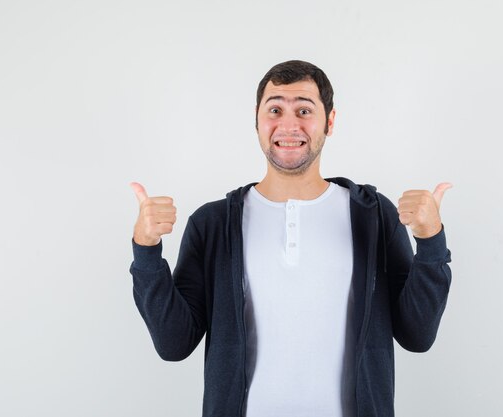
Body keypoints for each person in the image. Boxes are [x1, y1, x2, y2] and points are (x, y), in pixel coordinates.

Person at [129, 60, 453, 417]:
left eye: (303, 109)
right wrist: (146, 251)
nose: (288, 124)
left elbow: (417, 335)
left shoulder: (373, 216)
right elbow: (173, 343)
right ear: (257, 119)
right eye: (275, 109)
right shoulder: (212, 224)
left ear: (329, 122)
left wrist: (431, 243)